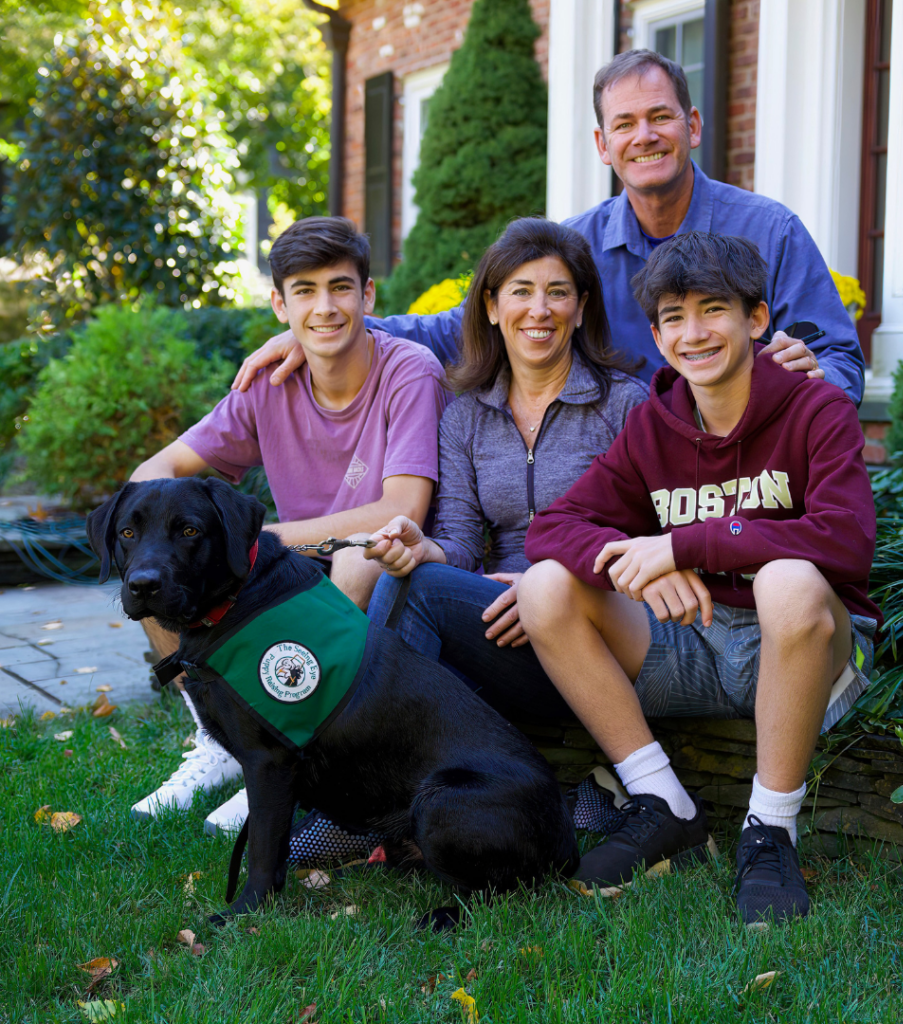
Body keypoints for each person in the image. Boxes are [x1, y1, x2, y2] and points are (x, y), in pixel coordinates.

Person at [515, 231, 880, 926]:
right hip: (695, 642)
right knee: (545, 587)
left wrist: (685, 543)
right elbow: (552, 528)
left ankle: (770, 831)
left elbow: (847, 540)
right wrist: (642, 570)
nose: (695, 332)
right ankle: (663, 802)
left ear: (757, 319)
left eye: (713, 309)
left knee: (788, 581)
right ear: (656, 336)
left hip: (806, 652)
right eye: (674, 317)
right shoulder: (655, 426)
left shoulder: (816, 409)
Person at [232, 50, 862, 401]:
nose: (644, 136)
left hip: (744, 471)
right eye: (624, 124)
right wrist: (335, 328)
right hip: (623, 475)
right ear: (602, 143)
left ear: (692, 127)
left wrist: (813, 379)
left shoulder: (769, 230)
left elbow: (840, 361)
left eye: (660, 117)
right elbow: (460, 329)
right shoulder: (573, 246)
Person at [127, 216, 447, 834]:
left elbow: (400, 509)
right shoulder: (267, 384)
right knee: (156, 568)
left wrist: (254, 539)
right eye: (304, 290)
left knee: (359, 554)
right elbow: (156, 473)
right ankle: (219, 737)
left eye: (340, 287)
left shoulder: (409, 371)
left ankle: (287, 749)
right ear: (280, 303)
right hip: (284, 568)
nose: (324, 308)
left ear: (369, 296)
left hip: (374, 568)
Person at [360, 218, 647, 719]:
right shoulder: (466, 417)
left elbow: (646, 534)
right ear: (492, 307)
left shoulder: (623, 405)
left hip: (597, 624)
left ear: (580, 309)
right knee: (404, 578)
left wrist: (547, 588)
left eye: (558, 292)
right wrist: (424, 548)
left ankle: (362, 761)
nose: (539, 310)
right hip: (500, 621)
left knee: (413, 599)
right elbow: (462, 541)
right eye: (521, 291)